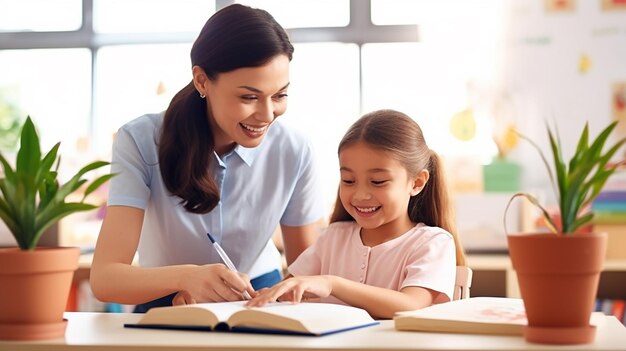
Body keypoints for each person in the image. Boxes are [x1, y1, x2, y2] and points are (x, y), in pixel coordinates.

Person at [90, 4, 325, 312]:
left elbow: (304, 274)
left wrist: (278, 294)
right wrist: (187, 279)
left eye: (280, 95)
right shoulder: (140, 140)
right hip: (165, 300)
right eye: (249, 97)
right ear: (202, 81)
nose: (267, 115)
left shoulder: (295, 150)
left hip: (259, 297)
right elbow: (105, 278)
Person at [246, 109, 465, 319]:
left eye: (378, 182)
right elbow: (290, 289)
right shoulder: (333, 237)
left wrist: (332, 284)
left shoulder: (433, 243)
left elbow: (410, 305)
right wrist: (263, 295)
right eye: (348, 181)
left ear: (416, 183)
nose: (360, 195)